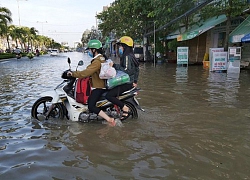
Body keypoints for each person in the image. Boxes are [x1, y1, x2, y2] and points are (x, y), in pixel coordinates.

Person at [67, 39, 117, 126]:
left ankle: (110, 120)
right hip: (101, 85)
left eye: (90, 50)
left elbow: (86, 72)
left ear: (94, 50)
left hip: (99, 87)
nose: (89, 52)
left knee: (91, 106)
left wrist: (73, 73)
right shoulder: (102, 58)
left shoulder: (97, 61)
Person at [106, 36, 139, 120]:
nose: (119, 48)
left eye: (120, 46)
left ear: (125, 46)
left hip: (127, 83)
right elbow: (137, 69)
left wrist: (114, 65)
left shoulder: (127, 56)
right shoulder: (131, 55)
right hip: (130, 82)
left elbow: (126, 70)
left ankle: (124, 107)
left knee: (109, 95)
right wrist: (135, 81)